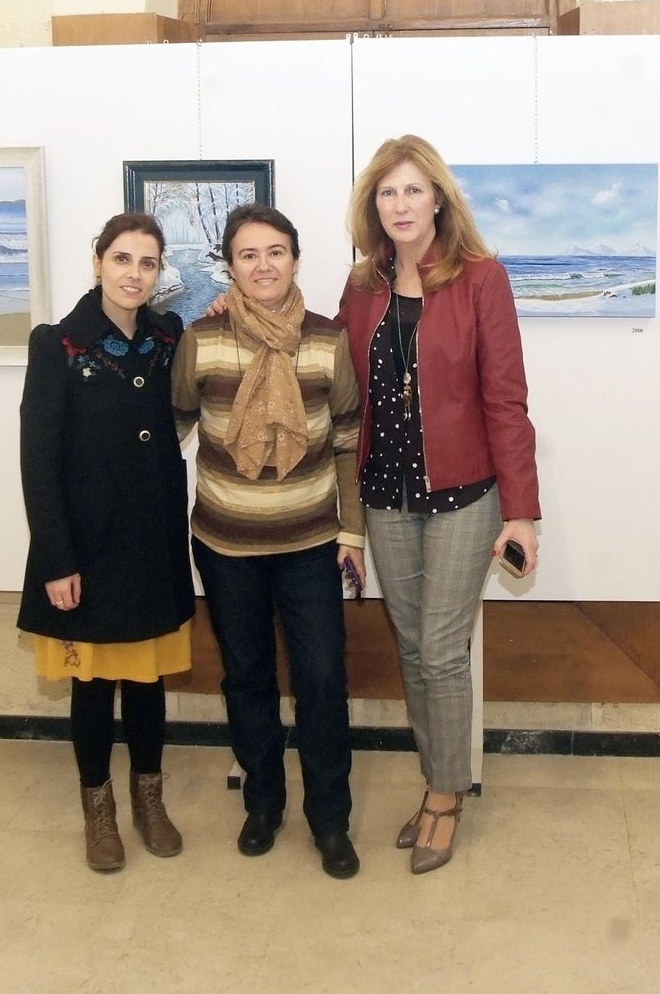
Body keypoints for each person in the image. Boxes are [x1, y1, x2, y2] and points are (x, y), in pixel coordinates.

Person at [337, 134, 541, 874]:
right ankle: (437, 780)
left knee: (442, 650)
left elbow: (506, 399)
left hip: (464, 497)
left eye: (413, 190)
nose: (400, 204)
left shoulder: (482, 278)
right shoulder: (362, 288)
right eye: (388, 192)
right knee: (414, 647)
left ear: (438, 199)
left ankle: (446, 794)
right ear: (374, 205)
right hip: (387, 497)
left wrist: (521, 511)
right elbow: (337, 378)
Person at [172, 203, 365, 879]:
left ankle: (330, 818)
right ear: (230, 265)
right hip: (226, 545)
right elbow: (172, 428)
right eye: (249, 254)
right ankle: (264, 801)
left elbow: (347, 437)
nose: (263, 265)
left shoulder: (327, 340)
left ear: (295, 259)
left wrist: (354, 531)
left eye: (276, 251)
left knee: (321, 681)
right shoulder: (201, 339)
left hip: (312, 541)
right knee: (247, 678)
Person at [17, 212, 195, 872]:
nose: (134, 274)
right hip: (85, 551)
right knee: (91, 687)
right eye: (123, 259)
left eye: (148, 263)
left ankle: (150, 799)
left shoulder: (168, 338)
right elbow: (39, 461)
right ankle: (99, 811)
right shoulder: (58, 343)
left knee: (146, 682)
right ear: (98, 262)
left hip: (151, 543)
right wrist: (56, 560)